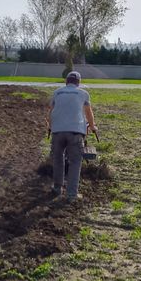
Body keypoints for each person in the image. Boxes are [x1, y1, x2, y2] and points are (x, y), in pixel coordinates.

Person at [47, 71, 97, 202]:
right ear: (78, 83)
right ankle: (71, 194)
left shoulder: (57, 92)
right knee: (75, 161)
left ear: (66, 81)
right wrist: (92, 127)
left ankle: (57, 188)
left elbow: (51, 112)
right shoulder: (83, 93)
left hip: (57, 131)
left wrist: (50, 127)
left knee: (58, 159)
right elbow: (88, 113)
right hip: (75, 132)